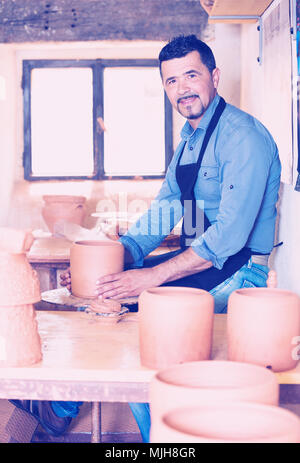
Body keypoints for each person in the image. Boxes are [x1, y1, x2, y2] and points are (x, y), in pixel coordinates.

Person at [10, 34, 281, 442]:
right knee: (105, 295)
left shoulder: (243, 137)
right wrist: (116, 260)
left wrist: (149, 278)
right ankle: (59, 412)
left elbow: (229, 236)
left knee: (147, 337)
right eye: (172, 81)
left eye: (191, 75)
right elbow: (167, 207)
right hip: (204, 260)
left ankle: (163, 438)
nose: (182, 88)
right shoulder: (190, 140)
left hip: (241, 273)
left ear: (214, 76)